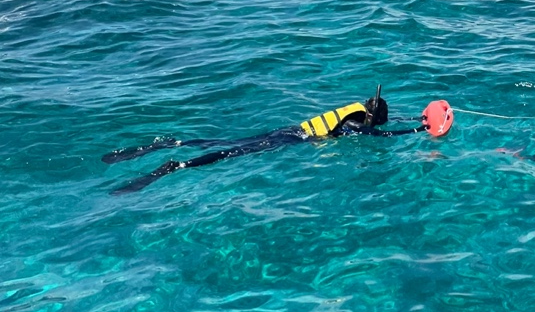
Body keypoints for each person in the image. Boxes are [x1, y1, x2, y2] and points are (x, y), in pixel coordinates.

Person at [104, 89, 452, 193]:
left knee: (221, 140)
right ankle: (173, 167)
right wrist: (420, 132)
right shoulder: (357, 125)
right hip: (287, 142)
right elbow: (381, 135)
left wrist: (419, 118)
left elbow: (382, 123)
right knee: (229, 153)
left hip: (287, 129)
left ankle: (170, 145)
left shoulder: (358, 108)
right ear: (374, 116)